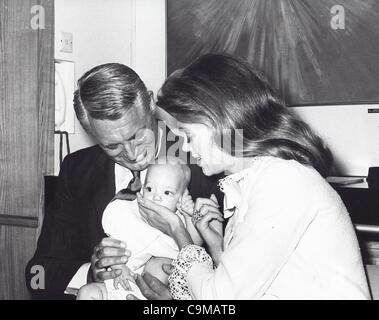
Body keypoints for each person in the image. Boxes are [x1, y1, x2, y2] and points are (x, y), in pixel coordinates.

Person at [136, 54, 371, 299]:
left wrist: (178, 231)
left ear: (218, 119)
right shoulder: (250, 181)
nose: (185, 147)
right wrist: (217, 249)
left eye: (186, 133)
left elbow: (219, 299)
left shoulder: (282, 179)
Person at [25, 63, 223, 299]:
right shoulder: (77, 170)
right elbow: (37, 274)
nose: (131, 154)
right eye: (112, 145)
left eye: (137, 135)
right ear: (91, 134)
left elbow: (244, 272)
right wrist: (93, 274)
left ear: (150, 103)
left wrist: (183, 295)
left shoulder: (207, 158)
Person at [77, 158, 205, 300]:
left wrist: (188, 217)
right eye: (149, 189)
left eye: (167, 193)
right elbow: (114, 247)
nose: (156, 197)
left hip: (157, 294)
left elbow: (194, 247)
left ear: (181, 198)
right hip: (122, 282)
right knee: (87, 292)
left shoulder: (179, 222)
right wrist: (119, 268)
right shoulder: (130, 214)